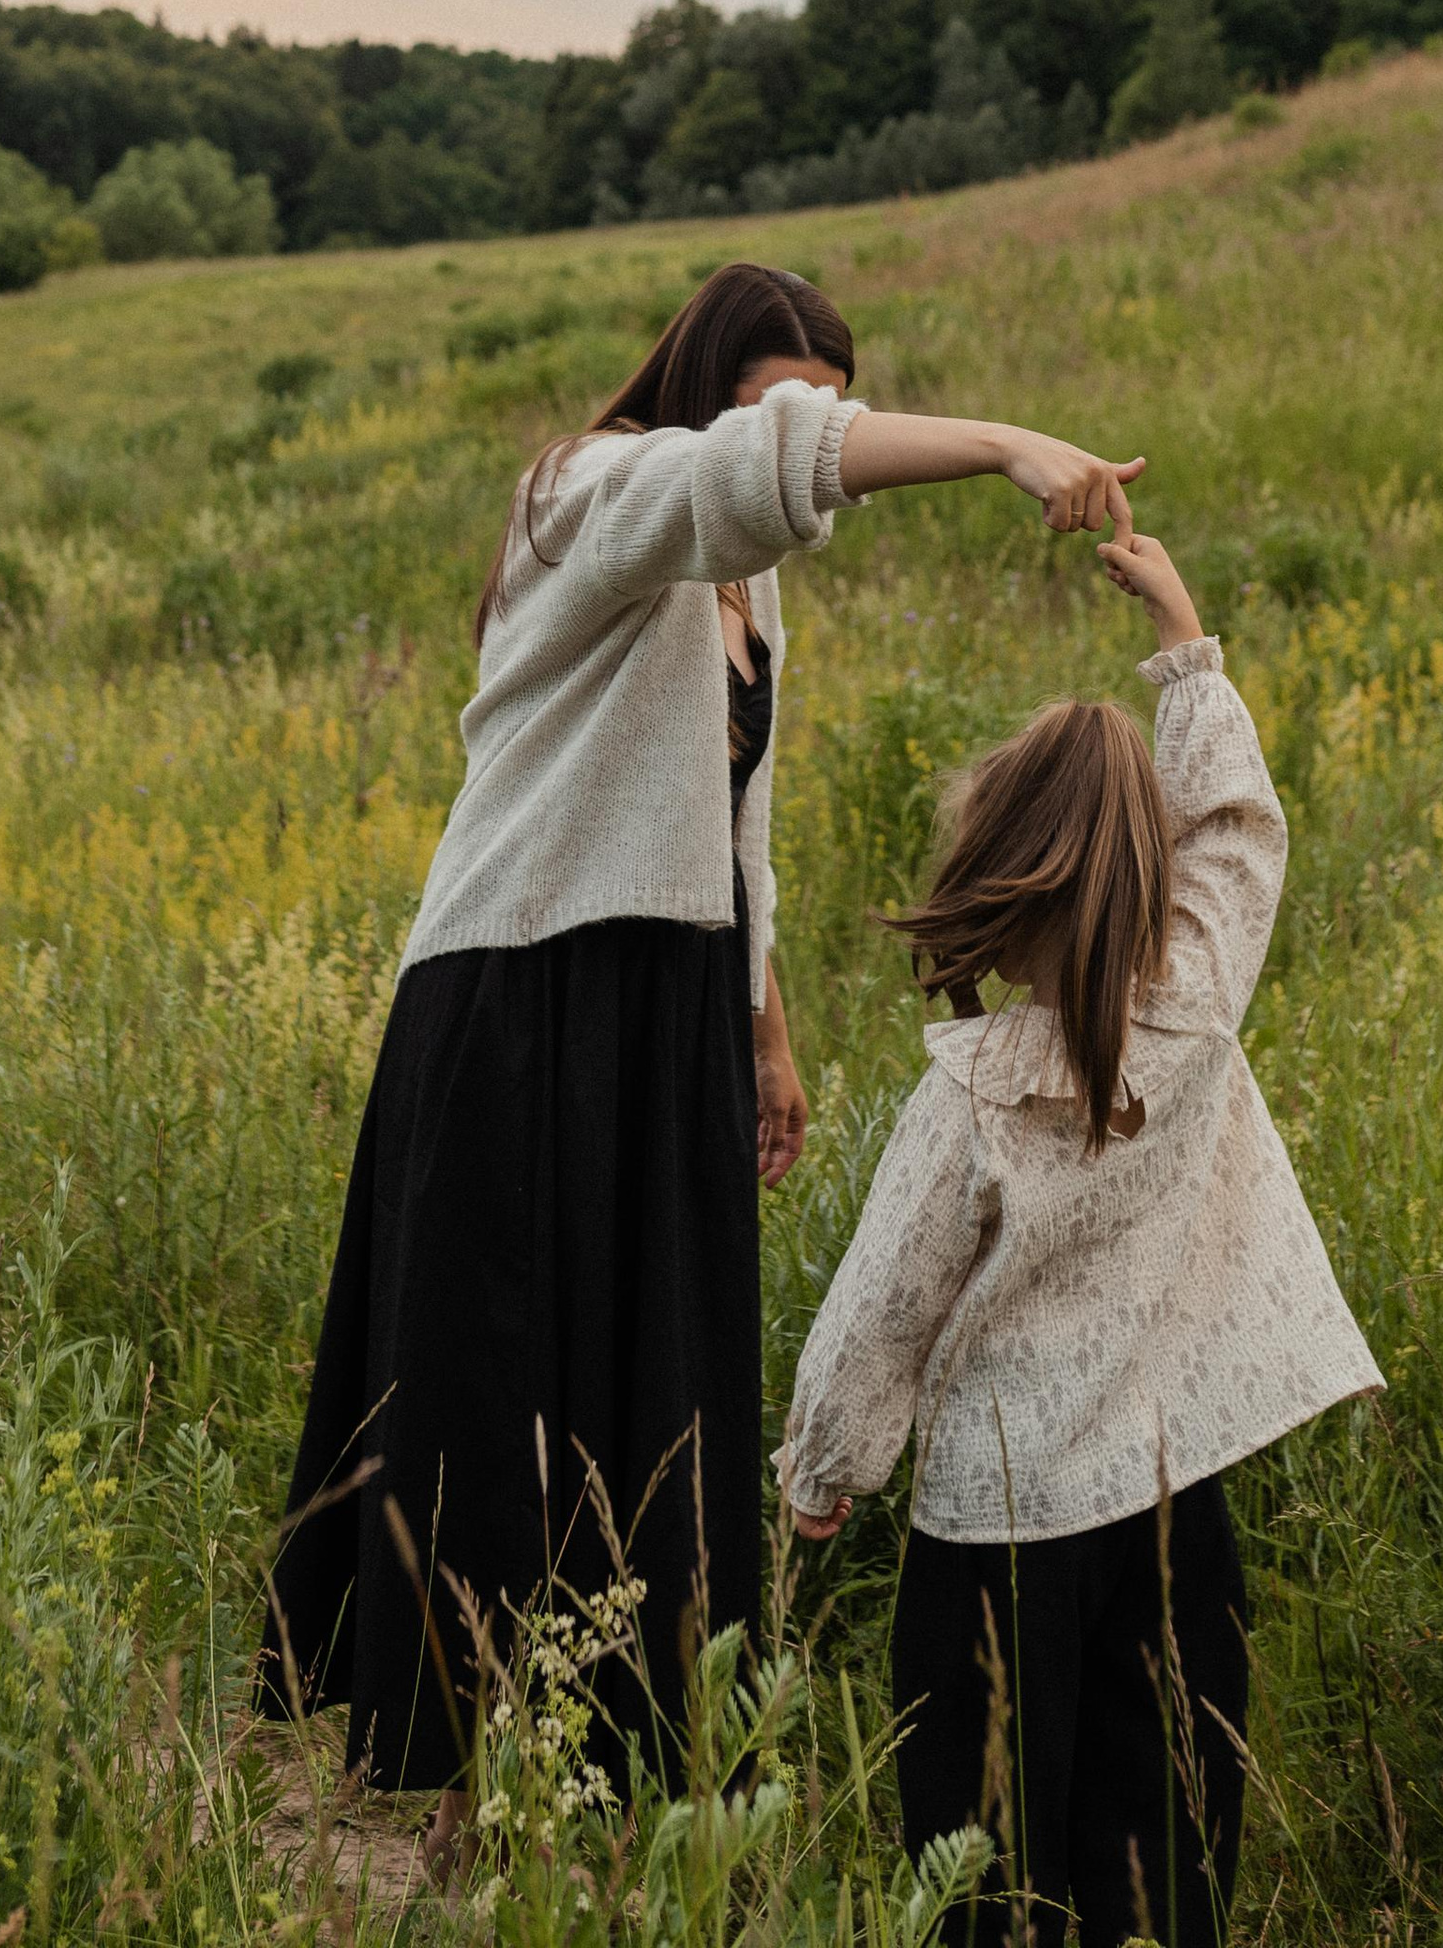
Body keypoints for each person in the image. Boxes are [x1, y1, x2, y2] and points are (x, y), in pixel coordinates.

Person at [261, 257, 1143, 1857]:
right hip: (521, 984)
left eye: (824, 395)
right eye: (767, 400)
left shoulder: (748, 589)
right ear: (697, 392)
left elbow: (740, 828)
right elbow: (761, 476)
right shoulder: (590, 491)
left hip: (667, 998)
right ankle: (458, 1792)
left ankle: (609, 1769)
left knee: (649, 1386)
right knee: (500, 1387)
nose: (800, 429)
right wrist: (1009, 443)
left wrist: (767, 1033)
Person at [778, 505, 1381, 1948]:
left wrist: (823, 1469)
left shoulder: (975, 1096)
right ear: (1150, 888)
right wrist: (1186, 650)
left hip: (997, 1539)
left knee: (979, 1866)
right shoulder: (1200, 1001)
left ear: (998, 877)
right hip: (1183, 1517)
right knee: (1166, 1842)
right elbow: (1240, 834)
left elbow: (884, 1307)